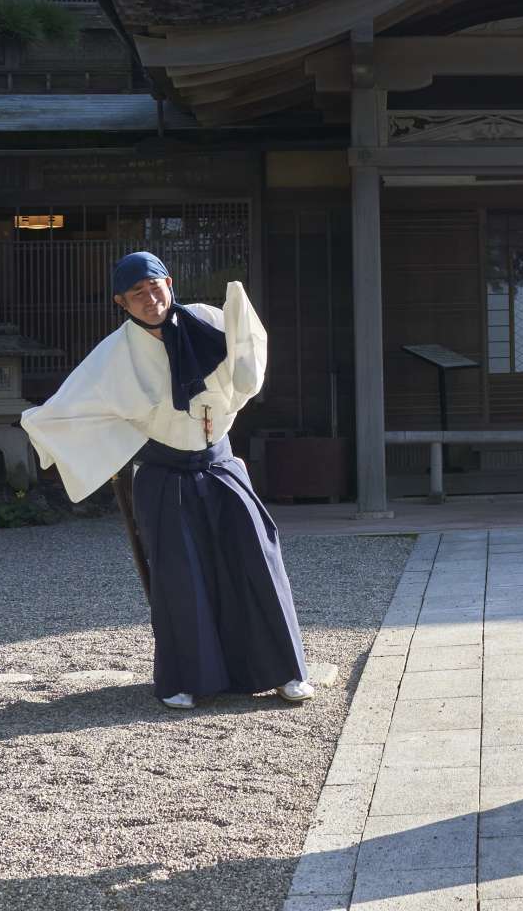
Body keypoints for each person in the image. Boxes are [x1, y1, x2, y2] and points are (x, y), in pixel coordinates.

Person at [20, 252, 312, 710]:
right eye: (137, 293)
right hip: (164, 474)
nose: (150, 297)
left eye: (155, 286)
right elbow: (73, 405)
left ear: (169, 283)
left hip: (220, 465)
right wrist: (39, 426)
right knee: (179, 579)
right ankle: (187, 679)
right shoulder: (114, 355)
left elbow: (248, 355)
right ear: (122, 302)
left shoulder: (207, 319)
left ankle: (284, 672)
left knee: (258, 561)